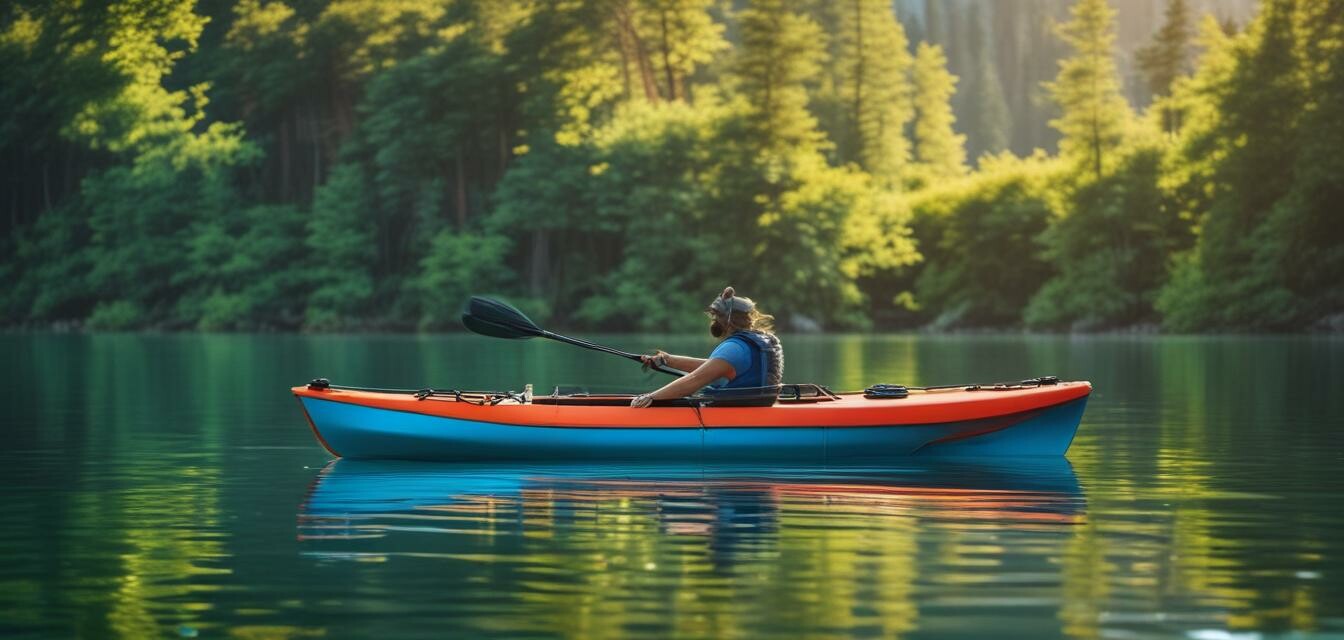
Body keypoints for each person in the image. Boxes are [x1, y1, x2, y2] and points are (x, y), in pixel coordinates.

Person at [630, 286, 784, 408]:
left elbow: (695, 379)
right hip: (758, 408)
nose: (713, 320)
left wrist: (651, 397)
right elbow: (715, 366)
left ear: (727, 319)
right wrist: (668, 360)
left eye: (716, 316)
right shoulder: (752, 344)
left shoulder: (733, 348)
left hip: (737, 415)